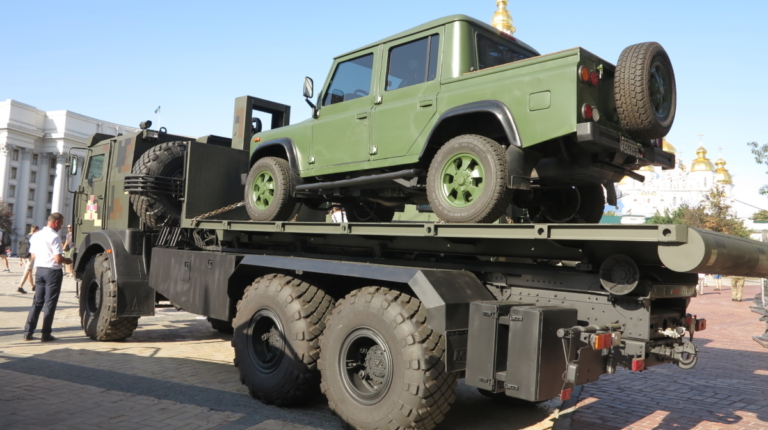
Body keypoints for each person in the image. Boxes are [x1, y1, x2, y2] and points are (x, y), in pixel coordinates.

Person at [22, 213, 72, 342]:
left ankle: (28, 332)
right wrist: (67, 260)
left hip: (40, 270)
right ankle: (46, 333)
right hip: (53, 271)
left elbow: (33, 255)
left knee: (37, 302)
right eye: (61, 224)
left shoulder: (36, 235)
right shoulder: (54, 236)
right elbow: (58, 258)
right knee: (50, 303)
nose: (61, 227)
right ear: (56, 222)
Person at [16, 225, 39, 294]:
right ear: (36, 230)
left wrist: (20, 259)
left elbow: (20, 247)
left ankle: (33, 286)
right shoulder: (35, 237)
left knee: (29, 271)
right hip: (30, 256)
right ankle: (20, 286)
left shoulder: (25, 237)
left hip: (24, 256)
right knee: (27, 271)